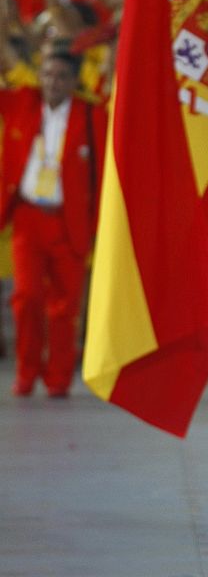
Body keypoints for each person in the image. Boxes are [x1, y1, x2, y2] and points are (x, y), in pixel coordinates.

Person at [0, 49, 106, 397]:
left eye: (61, 76)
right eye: (47, 75)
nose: (52, 82)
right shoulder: (23, 104)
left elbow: (103, 173)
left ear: (74, 81)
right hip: (29, 218)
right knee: (27, 297)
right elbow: (11, 65)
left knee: (65, 304)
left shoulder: (92, 115)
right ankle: (26, 372)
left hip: (69, 221)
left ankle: (58, 378)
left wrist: (98, 227)